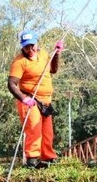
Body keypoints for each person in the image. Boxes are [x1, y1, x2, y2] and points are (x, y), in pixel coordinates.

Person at [8, 30, 63, 168]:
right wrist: (23, 98)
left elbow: (53, 70)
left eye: (32, 45)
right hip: (30, 100)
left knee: (47, 131)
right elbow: (11, 84)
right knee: (34, 128)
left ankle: (47, 158)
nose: (30, 49)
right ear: (22, 46)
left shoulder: (43, 54)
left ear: (36, 43)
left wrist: (56, 54)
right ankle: (32, 159)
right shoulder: (19, 62)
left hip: (46, 100)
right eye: (26, 46)